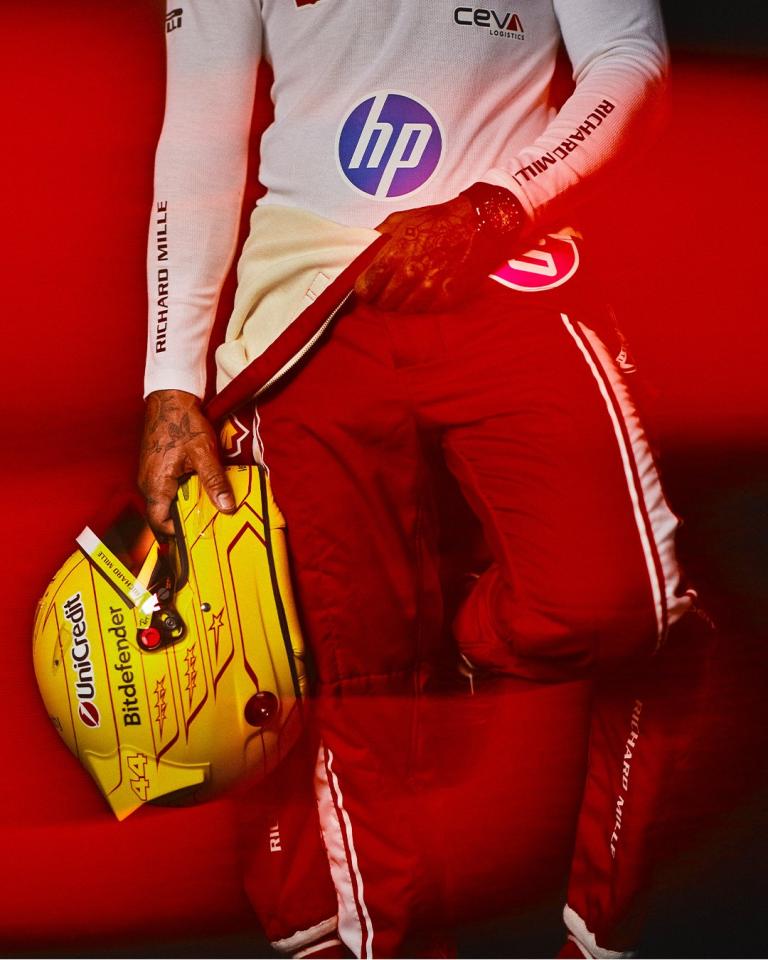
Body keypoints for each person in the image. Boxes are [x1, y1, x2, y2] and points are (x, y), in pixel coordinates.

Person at [139, 2, 706, 957]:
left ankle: (456, 644)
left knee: (619, 607)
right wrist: (169, 379)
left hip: (511, 264)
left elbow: (628, 60)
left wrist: (500, 205)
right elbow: (201, 124)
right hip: (306, 301)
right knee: (354, 685)